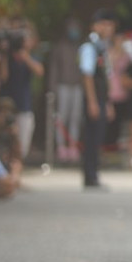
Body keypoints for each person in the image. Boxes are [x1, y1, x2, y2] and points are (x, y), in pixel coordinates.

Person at [80, 9, 117, 190]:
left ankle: (94, 173)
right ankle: (89, 175)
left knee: (98, 136)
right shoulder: (90, 46)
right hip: (93, 98)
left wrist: (108, 102)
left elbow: (106, 76)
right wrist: (92, 102)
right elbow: (87, 75)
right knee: (91, 137)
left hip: (101, 98)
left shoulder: (102, 47)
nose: (108, 28)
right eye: (105, 24)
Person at [0, 29, 43, 159]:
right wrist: (5, 55)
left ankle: (19, 166)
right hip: (7, 106)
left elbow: (40, 72)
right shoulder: (7, 58)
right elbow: (3, 77)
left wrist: (26, 57)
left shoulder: (30, 57)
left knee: (23, 144)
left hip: (24, 105)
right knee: (6, 142)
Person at [48, 17, 84, 162]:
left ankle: (73, 145)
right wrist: (52, 88)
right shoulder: (60, 47)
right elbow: (54, 70)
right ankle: (61, 146)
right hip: (62, 85)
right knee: (61, 117)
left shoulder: (80, 48)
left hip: (77, 86)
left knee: (75, 118)